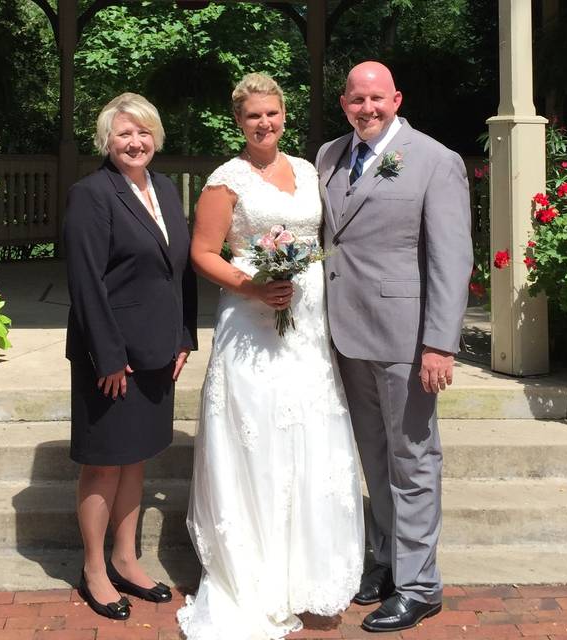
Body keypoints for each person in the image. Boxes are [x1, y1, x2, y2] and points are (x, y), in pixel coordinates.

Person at [177, 73, 364, 640]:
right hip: (251, 326)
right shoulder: (226, 181)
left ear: (285, 116)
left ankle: (310, 569)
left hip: (306, 327)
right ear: (239, 121)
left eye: (273, 114)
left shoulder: (307, 171)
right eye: (254, 116)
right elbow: (201, 252)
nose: (265, 123)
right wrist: (253, 286)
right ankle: (254, 573)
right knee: (256, 437)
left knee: (310, 436)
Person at [317, 61, 473, 633]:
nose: (367, 109)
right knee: (375, 458)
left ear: (397, 99)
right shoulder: (329, 157)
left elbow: (452, 260)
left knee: (412, 460)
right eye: (357, 100)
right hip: (345, 335)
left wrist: (439, 343)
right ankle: (386, 562)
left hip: (407, 338)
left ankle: (420, 585)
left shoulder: (436, 160)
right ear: (344, 103)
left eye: (377, 99)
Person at [64, 92, 198, 621]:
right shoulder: (90, 194)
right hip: (111, 357)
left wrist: (184, 334)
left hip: (159, 352)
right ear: (106, 141)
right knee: (103, 464)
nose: (135, 142)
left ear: (156, 137)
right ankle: (95, 569)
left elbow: (178, 270)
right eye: (123, 134)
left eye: (143, 132)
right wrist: (109, 356)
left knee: (136, 457)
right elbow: (86, 284)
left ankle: (127, 557)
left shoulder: (164, 189)